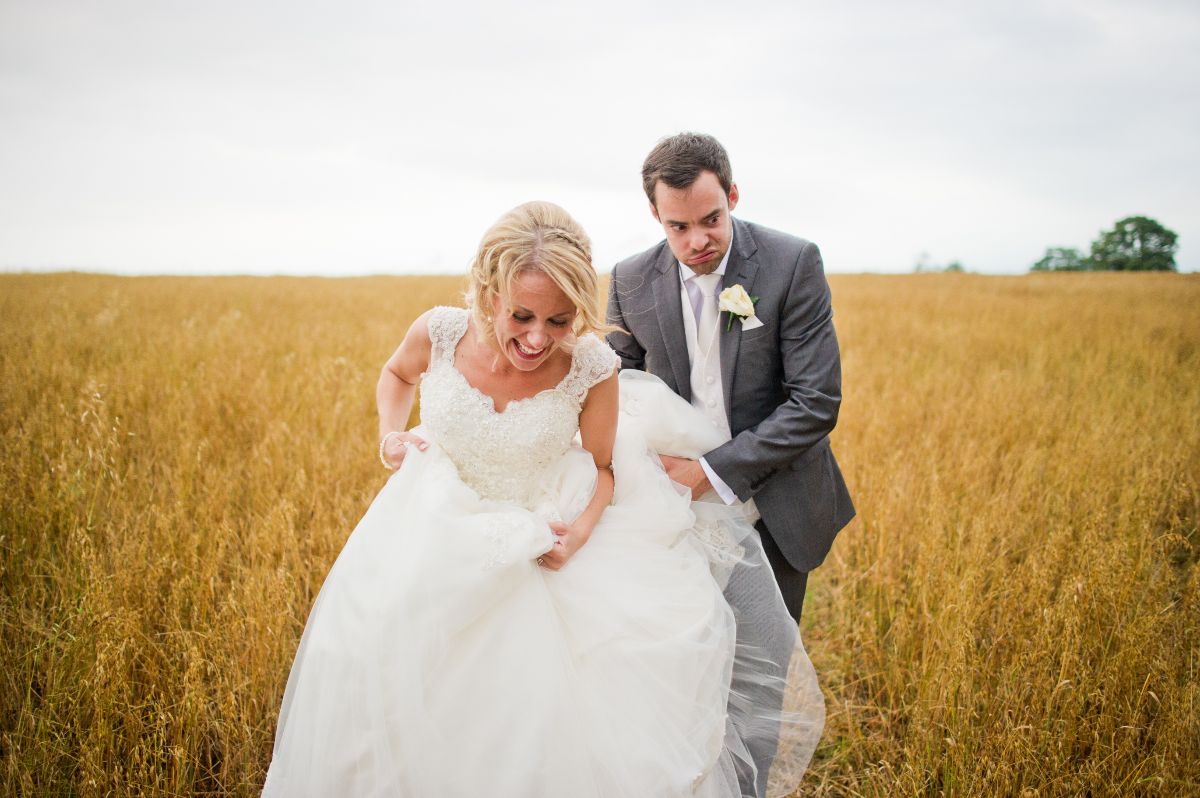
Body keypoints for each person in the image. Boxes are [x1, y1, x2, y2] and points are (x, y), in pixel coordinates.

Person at [262, 201, 821, 797]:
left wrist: (577, 533)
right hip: (431, 527)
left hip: (542, 532)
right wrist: (389, 435)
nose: (537, 339)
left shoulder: (590, 366)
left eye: (559, 321)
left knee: (540, 712)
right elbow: (397, 376)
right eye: (521, 316)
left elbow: (605, 469)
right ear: (486, 291)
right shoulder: (440, 331)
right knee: (389, 686)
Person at [606, 132, 855, 795]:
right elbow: (616, 393)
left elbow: (814, 402)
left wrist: (711, 472)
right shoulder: (630, 280)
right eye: (678, 226)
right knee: (679, 672)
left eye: (711, 219)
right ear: (656, 218)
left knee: (758, 680)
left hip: (772, 509)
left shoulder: (791, 263)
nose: (697, 241)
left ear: (733, 196)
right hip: (669, 515)